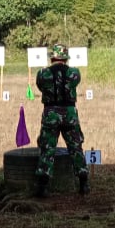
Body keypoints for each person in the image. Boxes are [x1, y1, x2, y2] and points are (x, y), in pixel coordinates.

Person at [35, 44, 90, 197]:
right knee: (76, 147)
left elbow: (41, 87)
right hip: (69, 114)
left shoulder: (42, 74)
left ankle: (42, 187)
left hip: (50, 113)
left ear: (52, 57)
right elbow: (75, 83)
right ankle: (83, 183)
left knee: (47, 148)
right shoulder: (74, 73)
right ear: (65, 58)